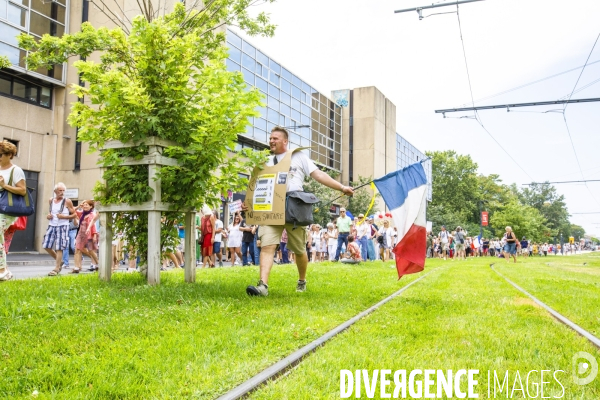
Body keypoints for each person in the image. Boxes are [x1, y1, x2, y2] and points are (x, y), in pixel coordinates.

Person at [246, 127, 354, 296]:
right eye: (270, 138)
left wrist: (341, 187)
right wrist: (249, 204)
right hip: (271, 208)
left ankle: (302, 280)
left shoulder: (298, 157)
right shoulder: (265, 162)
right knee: (267, 246)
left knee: (299, 250)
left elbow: (318, 174)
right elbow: (257, 187)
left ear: (285, 141)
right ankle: (263, 286)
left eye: (275, 138)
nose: (271, 141)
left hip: (293, 207)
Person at [0, 141, 27, 281]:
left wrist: (4, 185)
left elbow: (22, 190)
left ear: (10, 155)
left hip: (8, 210)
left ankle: (2, 269)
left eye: (0, 155)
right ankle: (6, 271)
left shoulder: (15, 170)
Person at [44, 182, 76, 276]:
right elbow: (50, 212)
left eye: (63, 190)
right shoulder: (51, 200)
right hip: (52, 225)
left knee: (59, 247)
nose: (62, 192)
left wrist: (64, 217)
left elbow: (74, 214)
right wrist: (48, 216)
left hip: (63, 226)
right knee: (46, 245)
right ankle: (60, 261)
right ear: (55, 191)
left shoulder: (67, 201)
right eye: (60, 190)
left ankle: (56, 268)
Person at [71, 200, 100, 273]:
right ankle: (76, 268)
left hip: (90, 234)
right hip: (81, 235)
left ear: (91, 206)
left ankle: (98, 264)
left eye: (87, 205)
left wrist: (94, 235)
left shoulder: (92, 215)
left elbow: (93, 225)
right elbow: (72, 210)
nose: (85, 206)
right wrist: (78, 206)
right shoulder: (81, 214)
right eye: (84, 205)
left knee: (91, 251)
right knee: (77, 250)